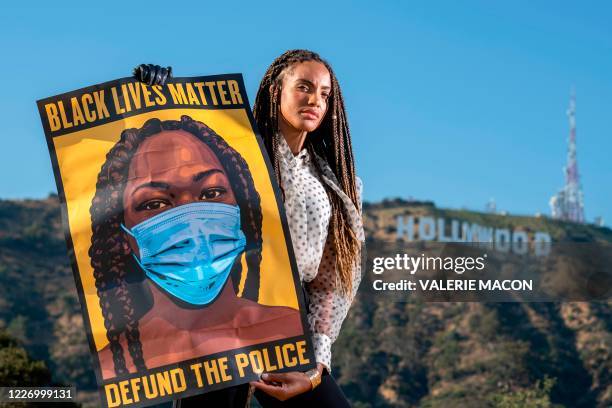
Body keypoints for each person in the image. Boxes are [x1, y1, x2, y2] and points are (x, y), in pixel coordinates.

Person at [135, 49, 365, 407]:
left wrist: (316, 366)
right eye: (303, 87)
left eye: (324, 93)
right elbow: (176, 154)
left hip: (288, 322)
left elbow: (329, 283)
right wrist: (154, 95)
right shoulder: (233, 153)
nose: (314, 100)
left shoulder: (334, 182)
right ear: (276, 89)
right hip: (219, 313)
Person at [89, 115, 303, 379]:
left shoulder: (290, 333)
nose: (191, 219)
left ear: (240, 208)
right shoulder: (114, 367)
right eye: (154, 204)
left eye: (211, 193)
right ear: (122, 236)